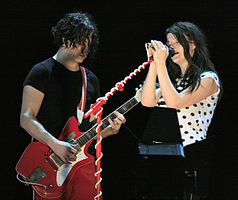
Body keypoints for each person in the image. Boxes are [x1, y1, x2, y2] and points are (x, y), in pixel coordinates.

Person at [19, 11, 125, 200]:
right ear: (64, 38)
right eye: (79, 41)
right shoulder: (41, 72)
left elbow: (88, 131)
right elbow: (26, 118)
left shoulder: (90, 79)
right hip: (49, 163)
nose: (85, 48)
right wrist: (55, 144)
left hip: (83, 167)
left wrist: (108, 130)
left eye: (89, 43)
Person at [139, 22, 222, 199]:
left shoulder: (208, 79)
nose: (171, 47)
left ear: (192, 44)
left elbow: (176, 101)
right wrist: (154, 63)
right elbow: (146, 102)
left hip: (190, 156)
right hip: (162, 155)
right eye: (169, 43)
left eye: (176, 42)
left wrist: (161, 63)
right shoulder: (173, 81)